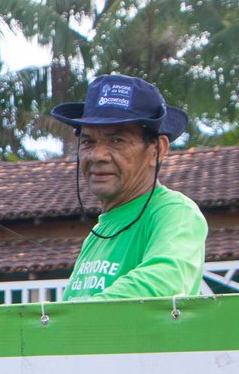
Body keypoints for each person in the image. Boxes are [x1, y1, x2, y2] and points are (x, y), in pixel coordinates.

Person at [48, 74, 208, 300]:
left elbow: (164, 282)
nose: (97, 155)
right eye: (88, 142)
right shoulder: (99, 234)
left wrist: (71, 318)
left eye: (117, 141)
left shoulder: (175, 212)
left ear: (157, 150)